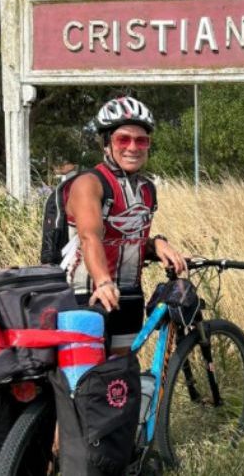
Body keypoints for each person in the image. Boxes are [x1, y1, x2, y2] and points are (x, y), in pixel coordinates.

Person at [64, 96, 188, 354]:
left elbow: (127, 236)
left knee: (122, 373)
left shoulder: (147, 189)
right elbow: (89, 237)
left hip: (129, 295)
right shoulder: (89, 183)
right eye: (123, 139)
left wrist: (156, 244)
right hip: (86, 295)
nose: (133, 147)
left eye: (141, 141)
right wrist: (103, 282)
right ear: (106, 143)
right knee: (85, 374)